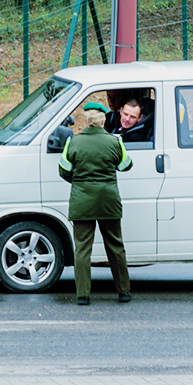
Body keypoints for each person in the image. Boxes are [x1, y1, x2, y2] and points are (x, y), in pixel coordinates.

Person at [58, 102, 134, 305]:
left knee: (82, 249)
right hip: (108, 201)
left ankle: (83, 295)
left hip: (82, 201)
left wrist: (80, 181)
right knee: (115, 246)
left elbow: (63, 170)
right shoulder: (114, 141)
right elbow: (126, 165)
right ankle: (123, 291)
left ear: (85, 120)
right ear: (102, 121)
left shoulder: (72, 143)